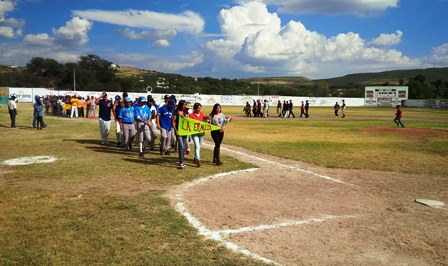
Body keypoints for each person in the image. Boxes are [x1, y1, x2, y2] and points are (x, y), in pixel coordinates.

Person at [188, 103, 209, 167]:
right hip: (194, 133)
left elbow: (206, 118)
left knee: (198, 146)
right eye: (198, 108)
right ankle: (198, 160)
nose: (199, 109)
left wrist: (208, 118)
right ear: (195, 108)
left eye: (200, 108)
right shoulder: (191, 115)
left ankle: (195, 157)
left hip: (201, 133)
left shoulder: (202, 114)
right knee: (197, 146)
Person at [172, 100, 188, 169]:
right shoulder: (176, 112)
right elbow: (173, 122)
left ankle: (182, 161)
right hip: (179, 132)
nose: (185, 106)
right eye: (184, 105)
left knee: (183, 147)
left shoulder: (185, 112)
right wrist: (176, 130)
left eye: (185, 105)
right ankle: (181, 162)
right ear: (181, 105)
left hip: (185, 132)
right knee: (181, 146)